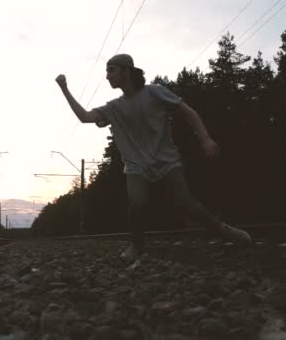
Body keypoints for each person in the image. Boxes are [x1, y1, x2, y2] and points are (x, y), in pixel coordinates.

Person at [55, 53, 251, 259]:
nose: (107, 76)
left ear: (126, 70)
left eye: (111, 70)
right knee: (137, 203)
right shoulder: (114, 107)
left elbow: (188, 112)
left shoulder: (154, 92)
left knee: (186, 205)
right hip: (136, 166)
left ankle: (224, 231)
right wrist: (64, 89)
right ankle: (137, 246)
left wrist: (205, 138)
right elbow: (85, 117)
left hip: (166, 161)